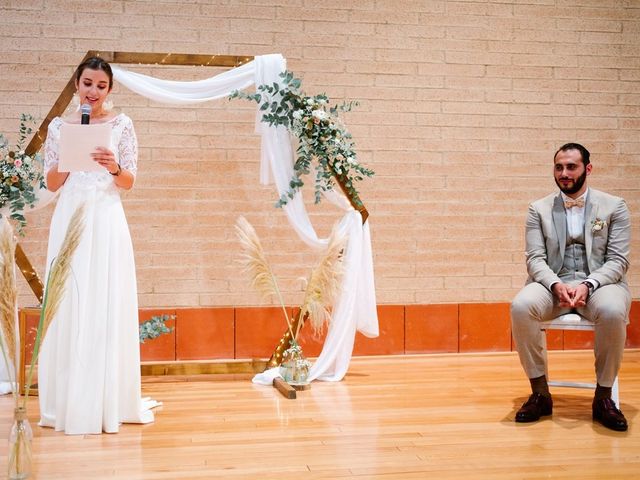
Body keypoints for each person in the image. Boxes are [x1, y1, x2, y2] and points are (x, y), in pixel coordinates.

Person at [38, 56, 155, 434]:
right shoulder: (59, 127)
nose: (93, 91)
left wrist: (114, 167)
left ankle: (107, 398)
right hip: (70, 215)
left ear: (109, 90)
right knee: (69, 297)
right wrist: (70, 160)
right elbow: (52, 184)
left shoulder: (122, 125)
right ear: (77, 84)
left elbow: (129, 182)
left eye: (101, 86)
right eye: (87, 83)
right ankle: (67, 398)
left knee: (105, 297)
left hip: (106, 217)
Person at [511, 143, 631, 432]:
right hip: (552, 281)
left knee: (614, 310)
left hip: (600, 282)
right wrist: (554, 283)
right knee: (521, 306)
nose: (564, 173)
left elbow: (618, 260)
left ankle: (603, 398)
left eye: (571, 167)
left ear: (587, 169)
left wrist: (590, 284)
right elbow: (535, 259)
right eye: (559, 167)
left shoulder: (614, 206)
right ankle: (540, 392)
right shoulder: (538, 208)